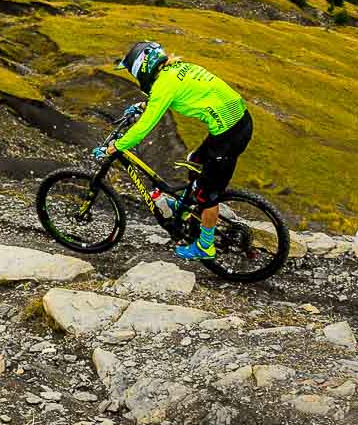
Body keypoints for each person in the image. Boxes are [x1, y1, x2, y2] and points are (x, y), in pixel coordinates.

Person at [101, 40, 253, 260]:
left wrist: (116, 146)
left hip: (229, 135)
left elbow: (143, 128)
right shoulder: (175, 70)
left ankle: (205, 246)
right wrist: (146, 105)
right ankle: (185, 205)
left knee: (207, 197)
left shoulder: (164, 85)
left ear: (142, 69)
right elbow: (177, 94)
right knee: (195, 160)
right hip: (236, 123)